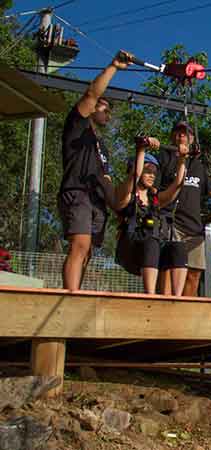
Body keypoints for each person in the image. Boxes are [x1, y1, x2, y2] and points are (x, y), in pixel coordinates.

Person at [58, 50, 131, 290]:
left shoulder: (102, 147)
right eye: (104, 107)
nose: (107, 112)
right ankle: (72, 297)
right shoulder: (77, 124)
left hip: (97, 201)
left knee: (88, 251)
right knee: (79, 244)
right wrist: (114, 67)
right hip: (77, 192)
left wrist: (122, 202)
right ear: (91, 109)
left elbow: (109, 188)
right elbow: (91, 93)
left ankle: (75, 291)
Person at [156, 121, 211, 296]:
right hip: (172, 223)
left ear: (192, 138)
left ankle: (186, 313)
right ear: (172, 136)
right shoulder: (164, 158)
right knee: (169, 268)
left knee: (194, 274)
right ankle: (164, 310)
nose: (182, 135)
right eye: (178, 132)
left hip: (194, 227)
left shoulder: (197, 166)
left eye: (186, 133)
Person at [113, 138, 189, 294]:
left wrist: (182, 160)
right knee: (152, 241)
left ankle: (178, 299)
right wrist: (141, 149)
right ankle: (150, 295)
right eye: (148, 172)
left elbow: (177, 186)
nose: (152, 176)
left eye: (154, 173)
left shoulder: (155, 199)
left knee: (178, 247)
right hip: (131, 249)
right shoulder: (125, 195)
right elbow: (135, 174)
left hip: (151, 253)